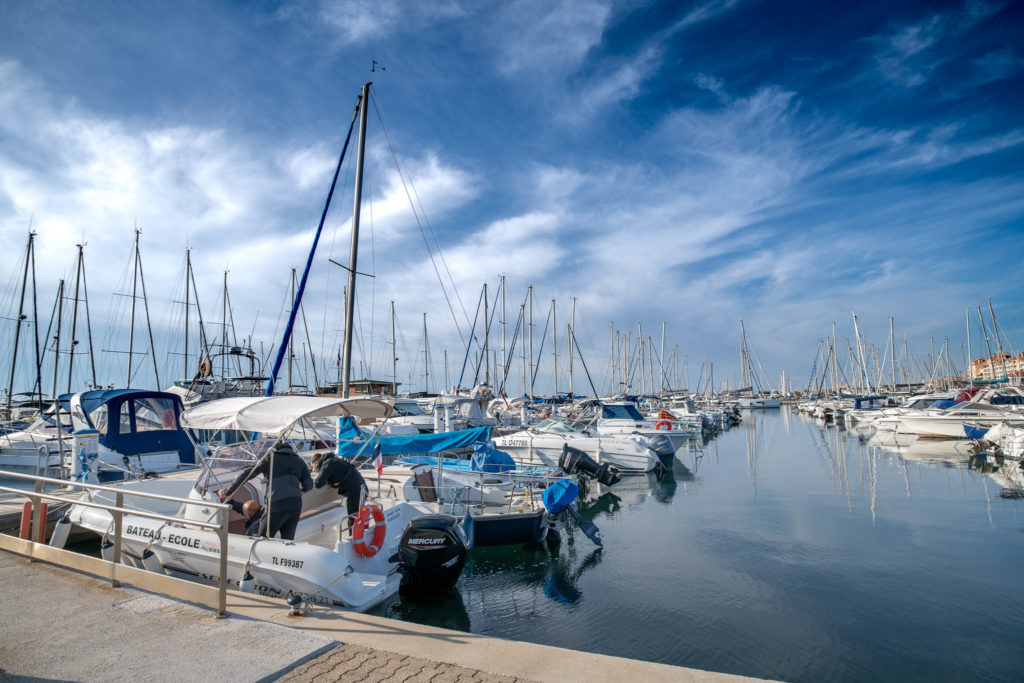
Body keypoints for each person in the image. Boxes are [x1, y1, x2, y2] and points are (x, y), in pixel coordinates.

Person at [219, 442, 312, 540]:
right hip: (295, 505)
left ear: (274, 449)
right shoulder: (299, 461)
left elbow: (245, 474)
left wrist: (227, 493)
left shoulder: (270, 459)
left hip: (276, 505)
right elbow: (308, 486)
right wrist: (296, 491)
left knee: (262, 539)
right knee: (288, 541)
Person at [310, 451, 368, 535]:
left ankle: (354, 540)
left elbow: (319, 483)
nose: (313, 470)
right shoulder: (334, 461)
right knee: (356, 517)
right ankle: (357, 537)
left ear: (316, 462)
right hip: (361, 489)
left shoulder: (328, 463)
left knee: (353, 518)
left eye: (313, 466)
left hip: (355, 491)